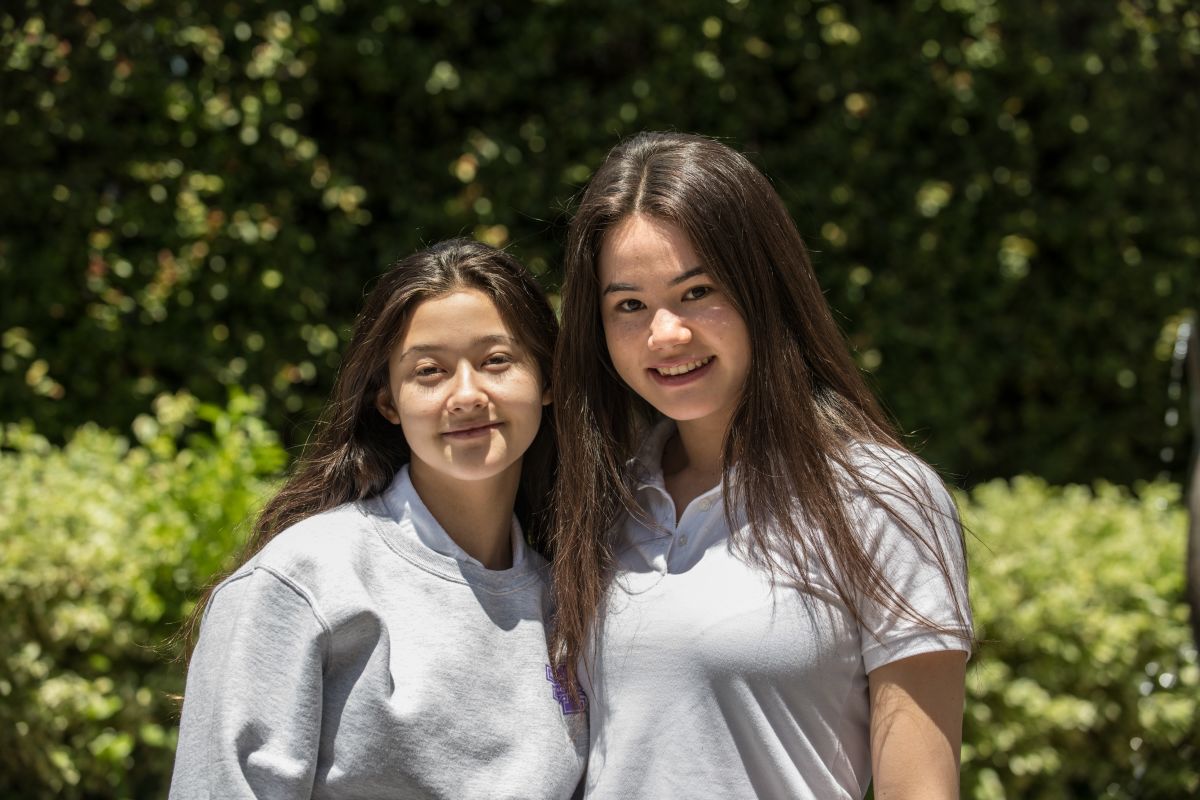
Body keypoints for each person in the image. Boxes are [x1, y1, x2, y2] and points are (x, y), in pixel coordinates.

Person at [549, 132, 973, 799]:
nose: (665, 334)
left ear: (763, 288)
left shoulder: (882, 499)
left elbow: (919, 790)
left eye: (696, 292)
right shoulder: (604, 498)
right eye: (628, 305)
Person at [170, 239, 586, 799]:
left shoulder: (570, 602)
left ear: (548, 381)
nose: (466, 394)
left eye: (496, 361)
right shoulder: (303, 583)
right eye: (429, 371)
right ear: (388, 401)